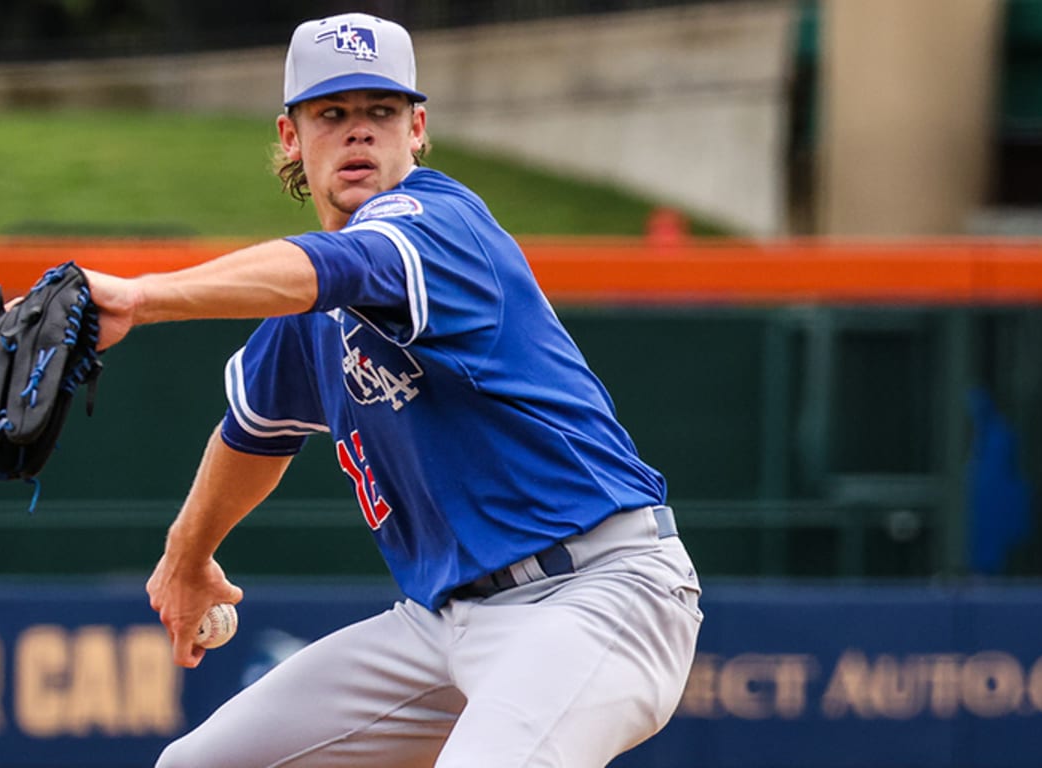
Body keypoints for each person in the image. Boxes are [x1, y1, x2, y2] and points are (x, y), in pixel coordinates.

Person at [78, 13, 703, 768]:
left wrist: (143, 297)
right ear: (289, 136)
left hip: (598, 595)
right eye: (332, 114)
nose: (359, 133)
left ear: (418, 128)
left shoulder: (438, 225)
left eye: (381, 112)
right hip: (443, 625)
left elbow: (341, 266)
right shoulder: (303, 317)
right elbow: (251, 434)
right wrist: (186, 556)